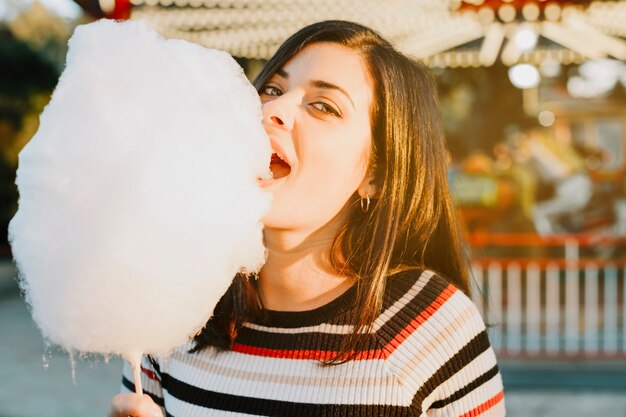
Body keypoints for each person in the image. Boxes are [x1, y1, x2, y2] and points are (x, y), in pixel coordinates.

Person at [108, 20, 505, 417]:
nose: (273, 109)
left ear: (376, 175)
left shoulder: (429, 328)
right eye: (272, 89)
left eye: (323, 106)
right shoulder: (174, 312)